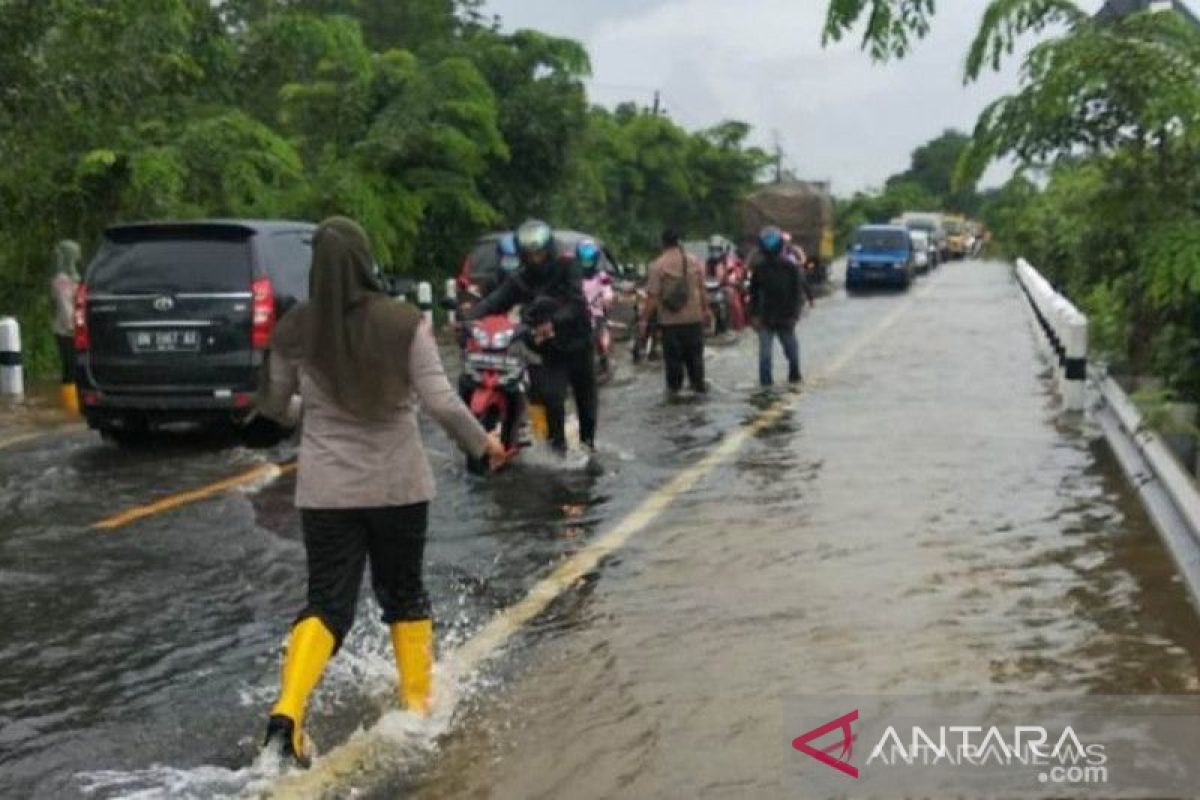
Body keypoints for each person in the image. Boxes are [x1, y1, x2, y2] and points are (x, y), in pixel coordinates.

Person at [256, 216, 507, 768]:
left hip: (326, 491)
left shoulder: (295, 329)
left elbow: (275, 409)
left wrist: (310, 410)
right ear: (367, 261)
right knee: (403, 594)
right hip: (397, 486)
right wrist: (481, 444)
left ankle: (288, 714)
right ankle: (418, 708)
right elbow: (441, 402)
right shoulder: (404, 323)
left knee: (326, 604)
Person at [468, 219, 597, 454]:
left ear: (547, 249)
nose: (535, 258)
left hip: (577, 341)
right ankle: (556, 449)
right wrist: (468, 319)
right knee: (550, 397)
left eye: (539, 253)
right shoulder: (521, 277)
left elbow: (577, 303)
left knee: (585, 400)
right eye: (530, 254)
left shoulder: (567, 265)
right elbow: (495, 301)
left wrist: (554, 321)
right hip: (544, 346)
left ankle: (589, 444)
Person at [643, 228, 711, 395]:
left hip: (670, 323)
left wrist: (643, 321)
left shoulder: (657, 266)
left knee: (674, 364)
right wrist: (707, 310)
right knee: (696, 361)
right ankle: (698, 389)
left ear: (663, 243)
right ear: (679, 242)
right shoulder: (694, 262)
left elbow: (652, 297)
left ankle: (675, 396)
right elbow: (702, 290)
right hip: (694, 320)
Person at [749, 225, 815, 387]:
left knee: (791, 353)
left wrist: (794, 314)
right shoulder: (759, 268)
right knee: (765, 356)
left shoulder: (791, 267)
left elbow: (797, 293)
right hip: (766, 317)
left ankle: (794, 377)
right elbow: (754, 293)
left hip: (785, 317)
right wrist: (754, 315)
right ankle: (766, 385)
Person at [49, 240, 82, 414]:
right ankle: (70, 406)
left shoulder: (73, 277)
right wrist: (73, 327)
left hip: (75, 328)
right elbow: (64, 307)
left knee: (76, 365)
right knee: (70, 366)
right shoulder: (61, 280)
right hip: (66, 331)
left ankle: (75, 402)